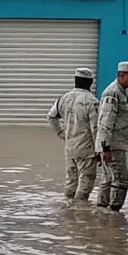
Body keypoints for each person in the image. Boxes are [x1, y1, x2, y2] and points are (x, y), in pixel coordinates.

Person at [95, 61, 128, 211]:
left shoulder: (123, 92)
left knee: (108, 179)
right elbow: (106, 122)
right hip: (112, 145)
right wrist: (105, 148)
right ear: (121, 75)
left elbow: (123, 121)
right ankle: (114, 213)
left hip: (115, 144)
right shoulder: (113, 93)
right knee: (121, 180)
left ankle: (102, 211)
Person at [48, 67, 100, 201]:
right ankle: (79, 209)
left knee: (71, 180)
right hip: (87, 149)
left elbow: (51, 117)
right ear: (90, 82)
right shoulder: (92, 102)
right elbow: (96, 129)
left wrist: (62, 133)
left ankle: (68, 206)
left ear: (75, 80)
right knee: (86, 181)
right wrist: (100, 150)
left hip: (70, 147)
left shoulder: (63, 98)